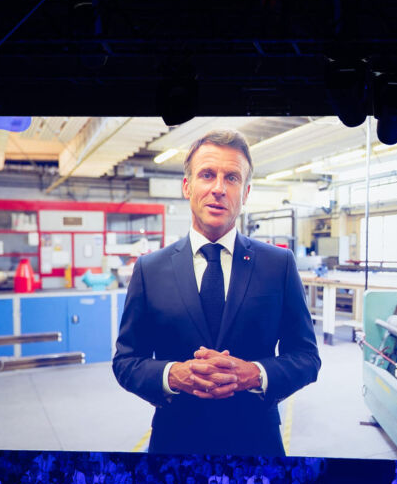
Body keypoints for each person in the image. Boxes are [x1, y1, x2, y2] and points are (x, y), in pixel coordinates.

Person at [112, 129, 321, 456]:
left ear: (246, 192)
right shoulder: (149, 269)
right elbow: (126, 361)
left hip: (257, 443)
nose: (219, 189)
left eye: (232, 178)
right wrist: (174, 375)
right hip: (174, 444)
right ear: (187, 186)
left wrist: (254, 375)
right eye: (207, 175)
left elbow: (307, 358)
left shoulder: (278, 264)